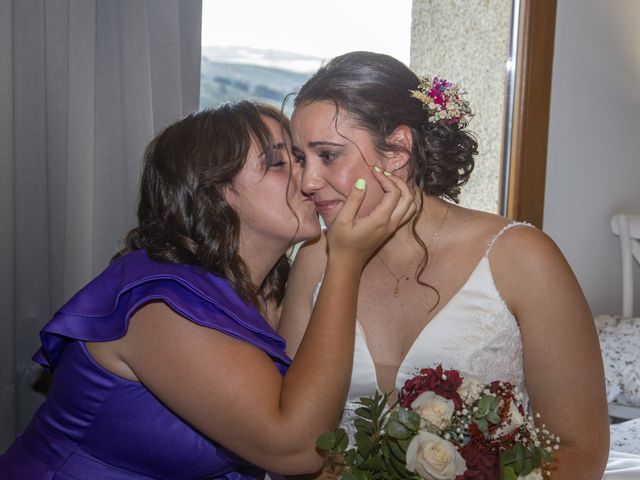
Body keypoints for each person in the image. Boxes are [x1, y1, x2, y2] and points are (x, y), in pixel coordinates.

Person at [0, 101, 416, 479]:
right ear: (214, 191)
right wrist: (345, 262)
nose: (309, 179)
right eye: (278, 164)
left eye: (303, 158)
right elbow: (299, 449)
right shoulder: (163, 305)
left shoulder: (268, 288)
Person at [278, 51, 624, 479]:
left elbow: (580, 447)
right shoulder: (314, 260)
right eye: (299, 158)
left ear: (397, 150)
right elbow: (292, 439)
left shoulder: (521, 257)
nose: (307, 181)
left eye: (327, 155)